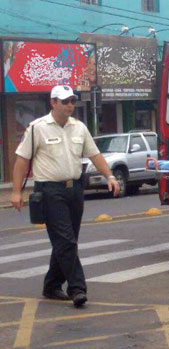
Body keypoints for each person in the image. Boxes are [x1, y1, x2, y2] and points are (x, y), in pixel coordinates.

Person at [10, 85, 120, 307]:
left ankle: (51, 285)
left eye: (72, 101)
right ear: (53, 103)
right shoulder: (37, 128)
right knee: (66, 241)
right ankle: (77, 288)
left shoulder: (79, 128)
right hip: (49, 191)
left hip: (74, 190)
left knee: (67, 241)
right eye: (65, 101)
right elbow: (22, 160)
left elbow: (95, 154)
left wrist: (110, 176)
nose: (70, 105)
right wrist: (15, 191)